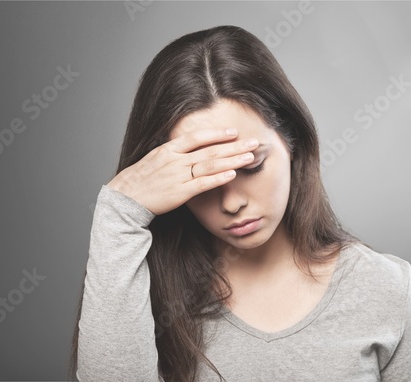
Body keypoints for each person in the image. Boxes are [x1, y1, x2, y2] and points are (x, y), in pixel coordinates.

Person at [68, 25, 411, 382]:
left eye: (251, 167)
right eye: (200, 178)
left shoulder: (389, 290)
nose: (231, 203)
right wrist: (119, 211)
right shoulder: (140, 288)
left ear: (292, 141)